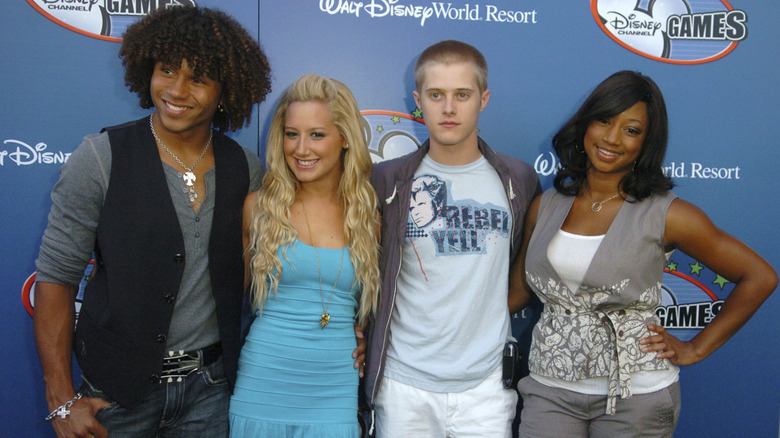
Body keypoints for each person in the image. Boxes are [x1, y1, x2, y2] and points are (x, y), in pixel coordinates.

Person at [33, 6, 272, 437]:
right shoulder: (101, 158)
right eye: (166, 70)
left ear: (226, 91)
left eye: (198, 78)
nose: (176, 90)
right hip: (117, 395)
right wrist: (61, 399)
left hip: (211, 392)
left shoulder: (245, 168)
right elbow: (56, 279)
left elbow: (268, 275)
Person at [510, 70, 778, 437]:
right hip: (549, 391)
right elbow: (516, 293)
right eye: (604, 121)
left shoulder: (669, 214)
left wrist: (695, 349)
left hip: (636, 397)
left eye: (631, 130)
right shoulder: (548, 204)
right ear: (585, 125)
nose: (612, 138)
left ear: (646, 142)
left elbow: (760, 276)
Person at [365, 40, 541, 437]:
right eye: (436, 95)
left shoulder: (518, 180)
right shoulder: (386, 181)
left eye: (462, 94)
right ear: (418, 100)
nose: (448, 108)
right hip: (403, 385)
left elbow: (525, 273)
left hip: (487, 387)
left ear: (484, 98)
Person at [229, 74, 380, 437]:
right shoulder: (259, 209)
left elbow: (380, 307)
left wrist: (367, 338)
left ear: (345, 138)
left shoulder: (368, 218)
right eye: (291, 133)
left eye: (316, 134)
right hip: (262, 384)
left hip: (335, 389)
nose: (301, 149)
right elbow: (229, 302)